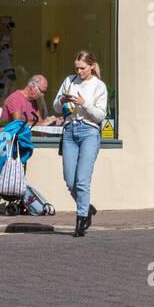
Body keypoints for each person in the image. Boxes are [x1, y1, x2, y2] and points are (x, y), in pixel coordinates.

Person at [54, 51, 108, 237]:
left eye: (82, 68)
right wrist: (62, 100)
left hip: (89, 132)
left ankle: (81, 219)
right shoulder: (69, 81)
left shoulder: (99, 86)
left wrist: (84, 103)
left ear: (91, 66)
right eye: (76, 67)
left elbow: (101, 115)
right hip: (69, 130)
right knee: (70, 180)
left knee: (82, 180)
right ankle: (87, 207)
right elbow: (55, 105)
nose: (79, 71)